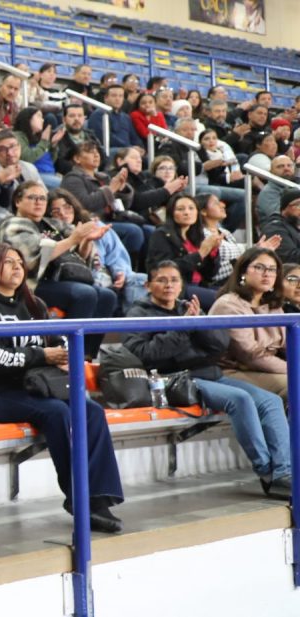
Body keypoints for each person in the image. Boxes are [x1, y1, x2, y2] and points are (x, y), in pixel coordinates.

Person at [0, 244, 125, 532]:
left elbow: (57, 340)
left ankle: (98, 498)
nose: (17, 267)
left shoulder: (33, 304)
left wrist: (64, 356)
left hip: (38, 388)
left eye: (19, 262)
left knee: (91, 411)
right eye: (8, 262)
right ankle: (78, 500)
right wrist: (41, 356)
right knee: (57, 412)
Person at [124, 260, 292, 499]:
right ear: (148, 285)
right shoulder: (138, 314)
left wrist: (197, 323)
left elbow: (219, 344)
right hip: (176, 380)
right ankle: (266, 471)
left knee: (270, 401)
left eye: (174, 280)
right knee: (240, 399)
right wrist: (184, 328)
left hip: (211, 373)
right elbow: (148, 355)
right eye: (162, 280)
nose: (169, 285)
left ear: (181, 285)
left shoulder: (188, 308)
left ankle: (284, 472)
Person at [0, 181, 116, 353]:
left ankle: (86, 355)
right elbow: (31, 259)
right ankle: (65, 352)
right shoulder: (12, 225)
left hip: (57, 281)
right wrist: (73, 239)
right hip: (27, 285)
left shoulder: (53, 224)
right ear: (18, 201)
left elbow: (79, 256)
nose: (39, 202)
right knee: (84, 294)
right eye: (32, 197)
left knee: (107, 296)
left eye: (42, 198)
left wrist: (87, 240)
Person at [208, 247, 289, 400]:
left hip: (266, 368)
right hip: (233, 371)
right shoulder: (228, 305)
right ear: (243, 271)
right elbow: (250, 355)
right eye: (259, 267)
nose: (267, 274)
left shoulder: (273, 305)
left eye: (272, 269)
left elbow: (289, 345)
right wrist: (292, 368)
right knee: (295, 383)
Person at [48, 189, 147, 311]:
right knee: (103, 290)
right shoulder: (54, 234)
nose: (63, 214)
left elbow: (116, 254)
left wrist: (120, 272)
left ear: (74, 207)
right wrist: (86, 240)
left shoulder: (95, 225)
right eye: (56, 211)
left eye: (67, 207)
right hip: (90, 280)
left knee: (142, 280)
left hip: (111, 276)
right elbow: (78, 265)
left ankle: (136, 321)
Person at [61, 140, 146, 265]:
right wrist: (111, 189)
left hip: (111, 219)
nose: (96, 155)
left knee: (148, 230)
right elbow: (84, 205)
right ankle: (124, 268)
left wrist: (122, 189)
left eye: (97, 152)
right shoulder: (72, 179)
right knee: (134, 231)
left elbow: (124, 205)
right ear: (77, 158)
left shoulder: (103, 177)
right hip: (90, 223)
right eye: (90, 152)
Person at [146, 193, 225, 308]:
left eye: (191, 208)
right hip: (179, 288)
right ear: (172, 213)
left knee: (236, 296)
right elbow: (165, 269)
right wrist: (200, 253)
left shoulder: (197, 236)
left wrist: (213, 251)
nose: (187, 212)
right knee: (223, 301)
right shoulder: (161, 235)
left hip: (201, 285)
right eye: (180, 209)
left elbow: (210, 274)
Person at [13, 107, 64, 189]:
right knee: (68, 185)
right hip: (33, 176)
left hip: (50, 174)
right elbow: (27, 158)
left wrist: (53, 145)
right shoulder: (17, 136)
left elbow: (50, 161)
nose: (42, 120)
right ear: (28, 118)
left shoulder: (38, 137)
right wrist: (44, 142)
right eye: (39, 116)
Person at [88, 85, 141, 154]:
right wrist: (129, 147)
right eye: (114, 96)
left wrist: (140, 147)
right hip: (112, 150)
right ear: (106, 98)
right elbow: (104, 137)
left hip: (128, 150)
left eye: (121, 96)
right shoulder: (98, 115)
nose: (117, 99)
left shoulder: (126, 117)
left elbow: (134, 137)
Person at [263, 190, 300, 278]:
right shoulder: (275, 228)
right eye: (298, 205)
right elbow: (289, 258)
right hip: (287, 277)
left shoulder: (294, 227)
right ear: (284, 208)